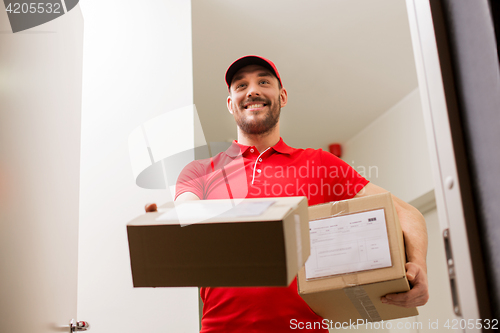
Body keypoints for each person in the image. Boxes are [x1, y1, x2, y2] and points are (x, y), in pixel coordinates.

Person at [145, 55, 429, 332]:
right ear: (231, 104)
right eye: (241, 85)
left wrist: (418, 266)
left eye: (264, 82)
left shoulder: (319, 163)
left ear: (282, 97)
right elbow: (188, 213)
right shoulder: (200, 171)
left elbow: (406, 213)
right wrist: (166, 221)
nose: (253, 90)